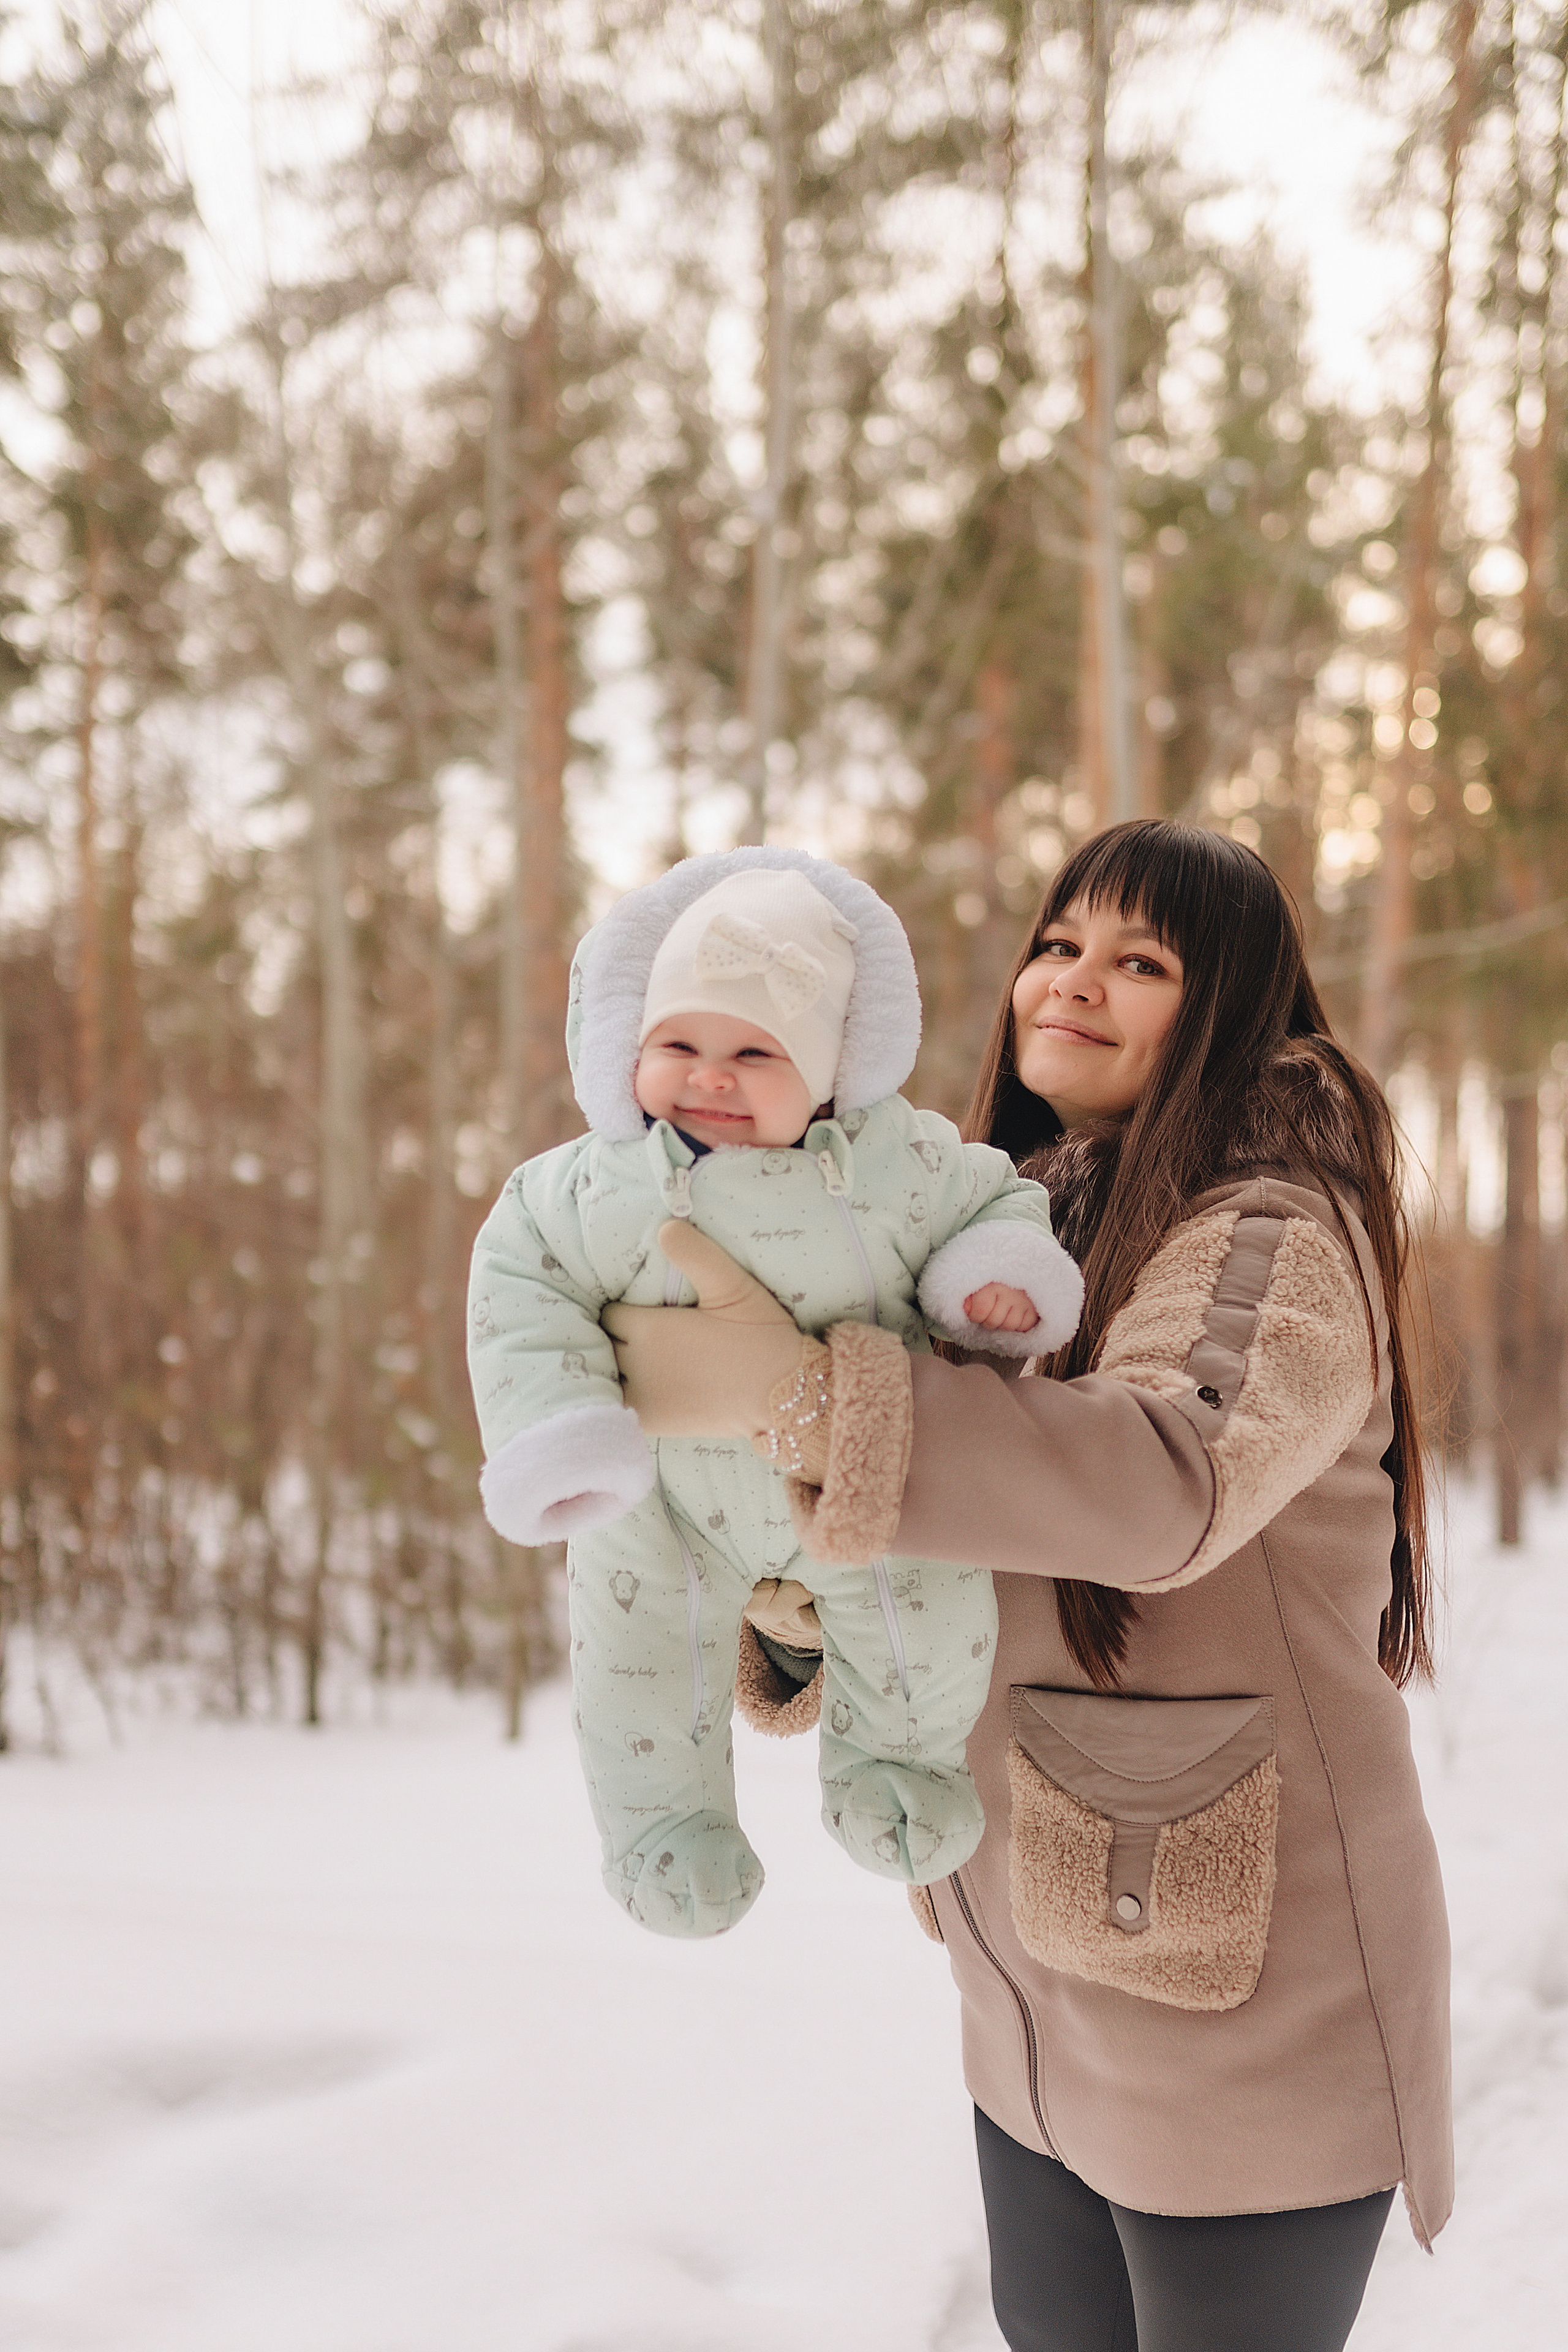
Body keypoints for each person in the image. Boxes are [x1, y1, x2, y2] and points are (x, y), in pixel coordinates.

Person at [605, 820, 1452, 2351]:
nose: (1071, 982)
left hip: (1248, 1997)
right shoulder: (1018, 1213)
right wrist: (799, 1604)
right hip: (1037, 1972)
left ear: (1233, 1011)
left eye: (1142, 962)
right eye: (1058, 943)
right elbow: (946, 1517)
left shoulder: (1273, 1224)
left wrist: (806, 1398)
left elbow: (1160, 1480)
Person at [467, 849, 1084, 1939]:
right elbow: (519, 1280)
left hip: (852, 1483)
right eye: (679, 1046)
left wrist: (990, 1276)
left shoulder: (893, 1160)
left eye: (755, 1051)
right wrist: (558, 1426)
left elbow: (993, 1196)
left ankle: (899, 1769)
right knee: (638, 1663)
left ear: (834, 1069)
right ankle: (664, 1830)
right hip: (658, 1499)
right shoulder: (587, 1182)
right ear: (629, 1047)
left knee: (924, 1611)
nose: (710, 1076)